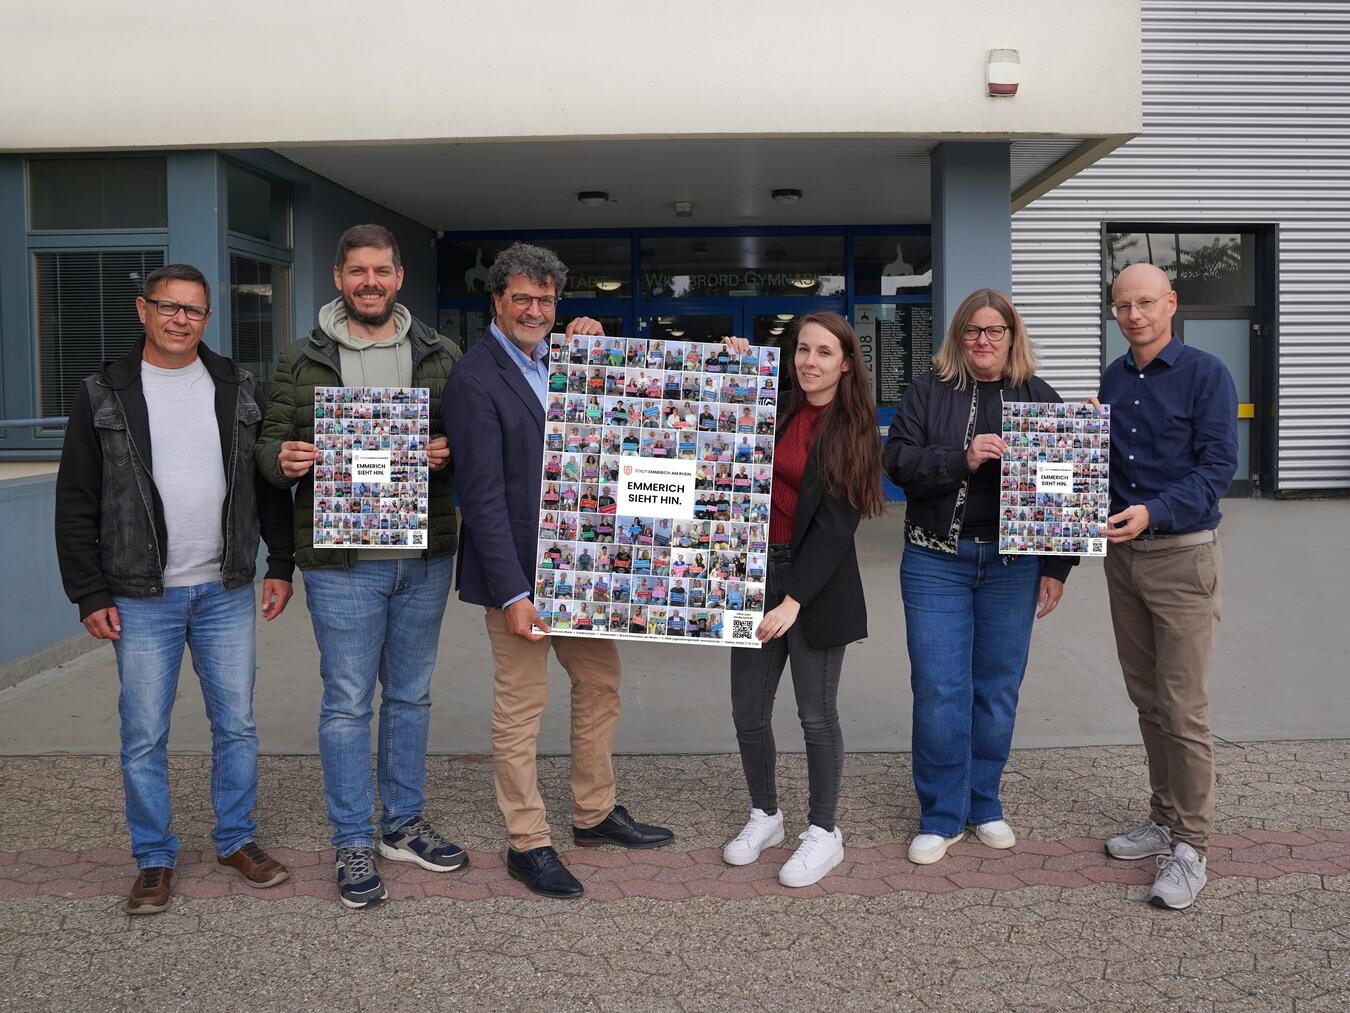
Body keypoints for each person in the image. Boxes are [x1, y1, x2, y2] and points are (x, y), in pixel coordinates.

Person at [55, 263, 296, 914]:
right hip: (139, 594)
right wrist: (90, 592)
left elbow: (265, 481)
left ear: (208, 317)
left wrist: (281, 565)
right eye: (167, 306)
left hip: (224, 588)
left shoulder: (237, 383)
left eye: (193, 309)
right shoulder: (103, 391)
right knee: (142, 732)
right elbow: (76, 498)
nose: (180, 319)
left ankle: (236, 838)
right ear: (142, 309)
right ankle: (154, 857)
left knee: (237, 724)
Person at [444, 242, 673, 900]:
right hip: (518, 576)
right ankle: (527, 840)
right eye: (521, 297)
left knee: (601, 682)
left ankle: (594, 813)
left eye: (546, 299)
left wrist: (597, 347)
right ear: (496, 301)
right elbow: (481, 495)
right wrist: (515, 592)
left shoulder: (566, 359)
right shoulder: (475, 376)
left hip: (581, 569)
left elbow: (630, 415)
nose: (534, 309)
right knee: (522, 706)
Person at [256, 224, 467, 909]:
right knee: (348, 702)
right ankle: (352, 837)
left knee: (411, 696)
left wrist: (447, 452)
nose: (369, 281)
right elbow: (267, 446)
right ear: (338, 278)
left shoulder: (441, 353)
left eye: (381, 270)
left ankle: (401, 824)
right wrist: (282, 460)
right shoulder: (301, 358)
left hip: (423, 558)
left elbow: (473, 442)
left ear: (399, 277)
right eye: (357, 271)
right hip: (342, 562)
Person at [884, 288, 1073, 866]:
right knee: (941, 689)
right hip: (936, 560)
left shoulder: (1040, 396)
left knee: (996, 691)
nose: (983, 341)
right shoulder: (929, 391)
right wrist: (960, 459)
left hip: (1014, 566)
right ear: (957, 336)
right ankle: (941, 814)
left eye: (994, 331)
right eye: (972, 331)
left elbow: (1064, 492)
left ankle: (984, 802)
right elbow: (897, 462)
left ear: (1012, 337)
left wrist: (1059, 567)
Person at [722, 313, 884, 888]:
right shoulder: (776, 404)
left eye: (823, 352)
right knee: (747, 710)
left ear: (845, 362)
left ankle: (824, 831)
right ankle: (765, 815)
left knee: (816, 715)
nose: (809, 361)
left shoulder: (855, 427)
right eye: (801, 350)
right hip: (752, 572)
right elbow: (715, 422)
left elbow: (838, 528)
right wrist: (737, 364)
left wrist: (793, 601)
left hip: (814, 581)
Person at [1097, 263, 1238, 910]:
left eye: (1146, 302)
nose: (1135, 315)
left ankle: (1191, 845)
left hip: (1182, 557)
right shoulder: (1113, 378)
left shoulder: (1207, 374)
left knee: (1184, 708)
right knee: (1148, 699)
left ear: (1171, 304)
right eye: (1123, 304)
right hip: (1123, 561)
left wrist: (1153, 511)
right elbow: (1096, 465)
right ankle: (1161, 814)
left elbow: (1217, 470)